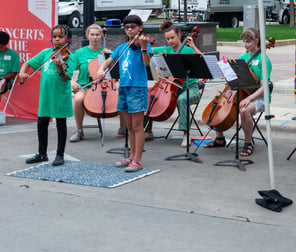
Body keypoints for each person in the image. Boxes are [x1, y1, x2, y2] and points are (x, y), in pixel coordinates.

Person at [96, 14, 152, 173]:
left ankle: (138, 160)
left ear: (140, 28)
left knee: (137, 125)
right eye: (126, 27)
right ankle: (132, 156)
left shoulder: (144, 45)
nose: (129, 30)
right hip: (124, 87)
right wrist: (101, 69)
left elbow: (147, 62)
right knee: (129, 126)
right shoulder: (122, 47)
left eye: (133, 27)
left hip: (137, 87)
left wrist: (142, 46)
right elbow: (109, 60)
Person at [205, 27, 271, 158]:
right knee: (217, 105)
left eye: (248, 42)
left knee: (244, 110)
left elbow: (264, 87)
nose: (245, 45)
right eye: (244, 42)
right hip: (243, 93)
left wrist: (248, 99)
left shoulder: (264, 60)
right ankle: (219, 138)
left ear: (256, 41)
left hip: (259, 97)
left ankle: (248, 143)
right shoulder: (243, 57)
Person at [17, 24, 74, 166]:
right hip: (46, 95)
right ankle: (42, 153)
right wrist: (22, 72)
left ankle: (60, 154)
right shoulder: (45, 53)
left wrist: (60, 68)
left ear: (67, 39)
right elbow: (28, 64)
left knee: (61, 124)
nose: (57, 40)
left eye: (60, 37)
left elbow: (65, 78)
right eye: (54, 37)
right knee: (42, 123)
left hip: (61, 95)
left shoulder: (70, 57)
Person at [151, 21, 204, 147]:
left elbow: (203, 60)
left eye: (172, 37)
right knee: (150, 95)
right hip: (170, 87)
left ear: (179, 35)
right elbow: (148, 51)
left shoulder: (188, 50)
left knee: (182, 99)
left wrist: (194, 46)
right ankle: (147, 130)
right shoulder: (165, 50)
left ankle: (186, 134)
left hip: (190, 87)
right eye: (167, 38)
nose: (170, 41)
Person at [67, 23, 111, 142]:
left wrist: (109, 57)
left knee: (122, 96)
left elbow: (115, 73)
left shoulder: (106, 52)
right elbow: (68, 72)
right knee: (77, 99)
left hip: (103, 87)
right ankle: (79, 130)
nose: (95, 37)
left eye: (97, 35)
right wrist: (72, 82)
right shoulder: (79, 53)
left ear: (101, 36)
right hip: (85, 86)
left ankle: (123, 129)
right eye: (92, 35)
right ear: (87, 35)